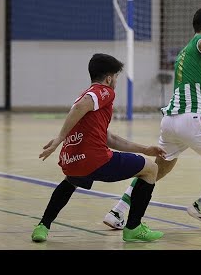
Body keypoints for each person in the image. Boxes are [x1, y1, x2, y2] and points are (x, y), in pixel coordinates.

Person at [103, 6, 201, 229]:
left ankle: (118, 211)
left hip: (171, 121)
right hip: (191, 122)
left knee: (156, 169)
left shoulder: (184, 54)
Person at [31, 53, 166, 243]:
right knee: (151, 169)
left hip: (73, 161)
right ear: (109, 78)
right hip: (96, 161)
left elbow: (108, 137)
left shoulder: (85, 95)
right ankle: (133, 227)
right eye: (116, 77)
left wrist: (144, 149)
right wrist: (59, 138)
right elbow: (78, 109)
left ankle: (43, 226)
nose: (116, 81)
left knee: (70, 183)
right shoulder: (104, 91)